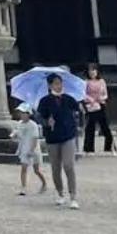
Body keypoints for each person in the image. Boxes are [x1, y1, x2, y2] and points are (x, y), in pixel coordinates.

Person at [34, 72, 81, 208]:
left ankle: (73, 195)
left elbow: (78, 112)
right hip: (52, 137)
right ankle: (60, 193)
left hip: (68, 135)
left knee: (69, 165)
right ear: (49, 85)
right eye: (55, 83)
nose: (58, 86)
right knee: (55, 167)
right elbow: (39, 117)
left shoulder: (69, 99)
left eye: (60, 83)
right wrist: (46, 122)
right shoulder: (45, 101)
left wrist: (76, 120)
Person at [82, 62, 114, 154]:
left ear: (97, 71)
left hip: (101, 105)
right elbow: (83, 94)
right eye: (90, 71)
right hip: (91, 105)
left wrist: (101, 98)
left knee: (105, 126)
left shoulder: (102, 81)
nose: (92, 72)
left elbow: (106, 95)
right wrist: (90, 99)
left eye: (93, 70)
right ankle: (88, 148)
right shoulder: (86, 82)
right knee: (90, 127)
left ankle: (109, 148)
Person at [12, 104, 44, 197]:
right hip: (24, 148)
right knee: (24, 168)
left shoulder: (33, 125)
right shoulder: (20, 123)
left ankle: (44, 183)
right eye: (20, 113)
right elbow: (18, 133)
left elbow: (35, 138)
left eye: (23, 113)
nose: (21, 115)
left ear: (28, 114)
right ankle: (23, 187)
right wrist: (14, 135)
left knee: (36, 170)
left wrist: (32, 150)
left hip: (32, 149)